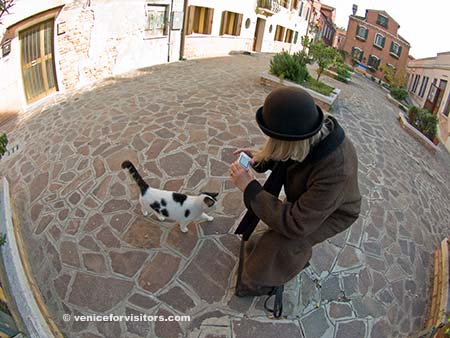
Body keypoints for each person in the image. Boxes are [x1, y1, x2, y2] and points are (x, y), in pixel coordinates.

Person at [229, 86, 361, 299]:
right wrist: (257, 159)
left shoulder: (337, 170)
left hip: (335, 211)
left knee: (282, 244)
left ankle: (267, 280)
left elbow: (296, 223)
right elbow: (284, 153)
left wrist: (250, 188)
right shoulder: (306, 131)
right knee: (273, 232)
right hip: (313, 196)